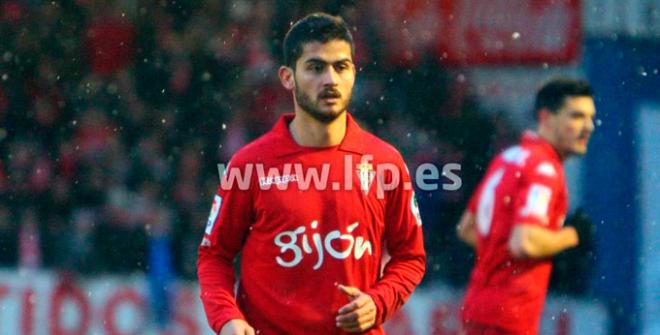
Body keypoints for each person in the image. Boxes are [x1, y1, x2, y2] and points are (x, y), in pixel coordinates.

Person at [198, 13, 425, 335]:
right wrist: (227, 318)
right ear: (287, 77)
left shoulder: (385, 163)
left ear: (354, 74)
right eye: (316, 68)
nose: (330, 80)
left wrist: (378, 302)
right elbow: (214, 255)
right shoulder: (250, 165)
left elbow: (411, 257)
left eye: (341, 67)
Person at [456, 78, 596, 335]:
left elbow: (467, 228)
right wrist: (572, 235)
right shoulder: (544, 169)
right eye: (576, 116)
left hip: (479, 307)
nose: (587, 127)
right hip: (508, 317)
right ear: (546, 117)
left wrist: (500, 261)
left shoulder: (508, 158)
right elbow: (526, 242)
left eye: (590, 117)